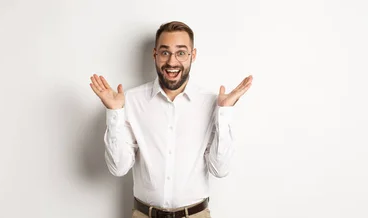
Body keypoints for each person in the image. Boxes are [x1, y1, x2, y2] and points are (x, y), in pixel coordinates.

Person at [89, 21, 252, 218]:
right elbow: (118, 168)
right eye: (165, 52)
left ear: (193, 55)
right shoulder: (130, 101)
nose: (172, 62)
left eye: (181, 53)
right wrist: (114, 112)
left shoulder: (211, 103)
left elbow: (220, 169)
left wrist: (224, 113)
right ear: (155, 54)